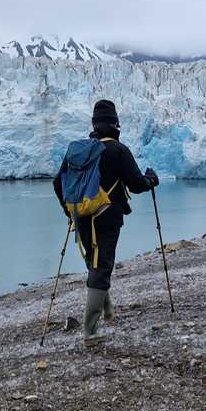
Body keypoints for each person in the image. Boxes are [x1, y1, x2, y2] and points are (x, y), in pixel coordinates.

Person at [53, 99, 159, 347]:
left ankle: (108, 313)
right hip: (107, 218)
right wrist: (152, 179)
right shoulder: (116, 150)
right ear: (115, 124)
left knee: (96, 263)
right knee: (101, 267)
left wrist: (71, 212)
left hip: (82, 218)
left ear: (93, 124)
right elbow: (137, 184)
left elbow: (58, 184)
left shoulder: (79, 151)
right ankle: (90, 333)